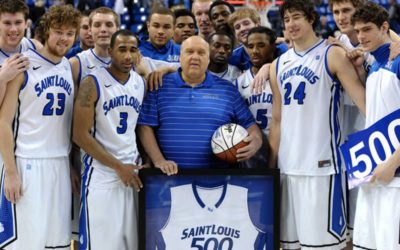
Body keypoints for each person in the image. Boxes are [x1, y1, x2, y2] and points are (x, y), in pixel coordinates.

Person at [268, 0, 365, 249]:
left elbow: (363, 101)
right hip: (288, 167)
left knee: (327, 246)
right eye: (287, 20)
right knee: (289, 245)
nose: (291, 24)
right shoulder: (278, 65)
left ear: (311, 18)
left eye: (296, 17)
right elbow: (277, 119)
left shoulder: (332, 53)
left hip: (322, 167)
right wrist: (271, 163)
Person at [0, 5, 80, 249]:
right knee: (26, 242)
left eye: (69, 33)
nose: (64, 38)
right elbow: (3, 121)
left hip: (59, 164)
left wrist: (69, 164)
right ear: (45, 31)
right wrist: (12, 172)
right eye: (58, 32)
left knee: (57, 243)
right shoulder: (22, 65)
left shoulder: (68, 65)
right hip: (28, 164)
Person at [137, 35, 262, 174]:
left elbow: (250, 125)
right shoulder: (159, 85)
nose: (195, 57)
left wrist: (255, 141)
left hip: (218, 177)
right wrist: (159, 160)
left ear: (208, 59)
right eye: (189, 52)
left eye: (201, 53)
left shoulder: (228, 89)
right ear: (180, 57)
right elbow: (145, 126)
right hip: (169, 179)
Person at [73, 29, 144, 250]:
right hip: (101, 176)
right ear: (110, 51)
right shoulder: (91, 83)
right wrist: (118, 166)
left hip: (132, 175)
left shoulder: (139, 82)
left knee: (131, 244)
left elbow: (137, 128)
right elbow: (79, 135)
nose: (127, 56)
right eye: (122, 49)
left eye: (133, 50)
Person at [350, 3, 400, 249]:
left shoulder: (398, 61)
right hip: (372, 171)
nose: (360, 36)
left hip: (395, 174)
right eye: (357, 30)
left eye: (367, 29)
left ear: (384, 27)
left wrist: (392, 164)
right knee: (367, 243)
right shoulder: (375, 65)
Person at [0, 0, 41, 106]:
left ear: (26, 24)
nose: (13, 29)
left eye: (18, 22)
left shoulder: (36, 47)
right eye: (7, 23)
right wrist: (2, 79)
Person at [70, 7, 119, 85]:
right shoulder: (75, 64)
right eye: (97, 25)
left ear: (117, 29)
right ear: (90, 30)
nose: (103, 29)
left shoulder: (133, 62)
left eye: (109, 25)